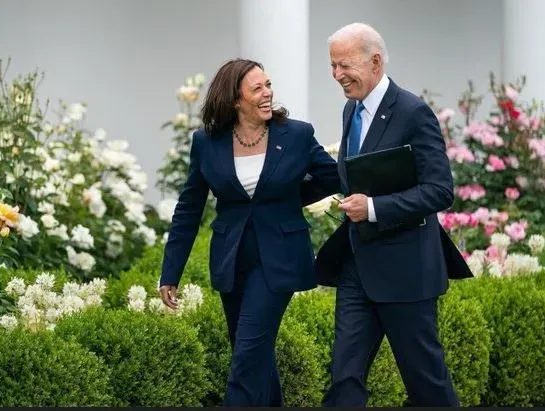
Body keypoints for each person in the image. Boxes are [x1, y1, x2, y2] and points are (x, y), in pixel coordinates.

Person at [159, 58, 340, 406]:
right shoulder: (206, 142)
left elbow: (332, 176)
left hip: (280, 259)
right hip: (232, 260)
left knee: (246, 356)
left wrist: (289, 199)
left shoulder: (297, 134)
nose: (267, 93)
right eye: (257, 88)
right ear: (234, 100)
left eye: (268, 85)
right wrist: (171, 273)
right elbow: (188, 209)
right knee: (253, 353)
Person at [315, 23, 472, 407]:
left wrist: (373, 208)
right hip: (357, 267)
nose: (337, 75)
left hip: (407, 271)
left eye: (344, 65)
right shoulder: (349, 109)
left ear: (375, 61)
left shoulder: (413, 112)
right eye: (332, 66)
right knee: (344, 378)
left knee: (427, 386)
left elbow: (439, 190)